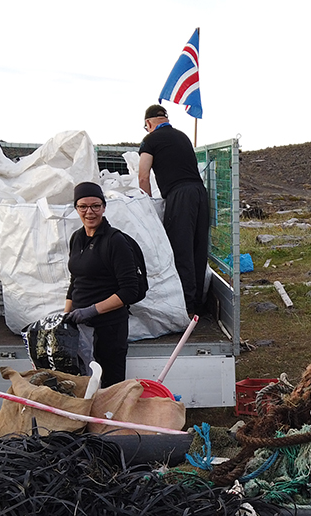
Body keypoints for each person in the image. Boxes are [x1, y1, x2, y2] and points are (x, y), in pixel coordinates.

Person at [62, 182, 143, 386]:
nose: (90, 212)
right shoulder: (77, 238)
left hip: (109, 328)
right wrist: (66, 316)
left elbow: (129, 291)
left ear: (104, 207)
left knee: (110, 386)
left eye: (95, 206)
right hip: (82, 327)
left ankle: (109, 419)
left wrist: (92, 310)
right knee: (84, 384)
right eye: (83, 206)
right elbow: (76, 280)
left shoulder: (115, 241)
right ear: (76, 208)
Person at [139, 103, 209, 317]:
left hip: (180, 196)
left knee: (181, 249)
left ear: (148, 123)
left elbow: (143, 175)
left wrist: (147, 205)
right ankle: (198, 303)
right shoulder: (183, 136)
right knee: (199, 248)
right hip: (199, 192)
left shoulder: (150, 140)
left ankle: (186, 308)